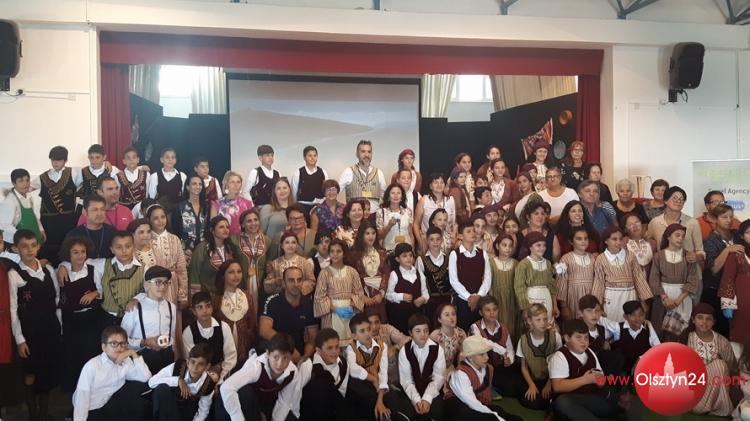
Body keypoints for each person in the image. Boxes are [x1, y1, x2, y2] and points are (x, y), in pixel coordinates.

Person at [9, 229, 61, 420]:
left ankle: (43, 414)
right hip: (29, 333)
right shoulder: (14, 274)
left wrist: (60, 328)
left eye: (33, 245)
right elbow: (13, 309)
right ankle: (33, 416)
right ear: (16, 249)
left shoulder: (48, 270)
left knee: (46, 374)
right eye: (24, 246)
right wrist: (20, 340)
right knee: (30, 375)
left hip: (50, 330)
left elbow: (57, 300)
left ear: (38, 246)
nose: (30, 250)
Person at [550, 319, 643, 421]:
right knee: (563, 401)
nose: (584, 341)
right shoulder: (560, 356)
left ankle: (622, 410)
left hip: (593, 399)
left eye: (586, 337)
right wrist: (584, 380)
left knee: (629, 399)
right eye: (578, 337)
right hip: (571, 401)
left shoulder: (590, 352)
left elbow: (600, 379)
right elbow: (557, 386)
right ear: (567, 338)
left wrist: (601, 382)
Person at [72, 326, 151, 421]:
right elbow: (82, 398)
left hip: (110, 404)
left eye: (123, 344)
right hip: (91, 408)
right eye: (114, 344)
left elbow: (145, 377)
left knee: (133, 391)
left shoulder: (126, 361)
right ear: (104, 347)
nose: (119, 348)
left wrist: (133, 353)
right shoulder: (92, 366)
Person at [215, 333, 299, 421]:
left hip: (262, 404)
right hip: (231, 403)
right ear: (268, 354)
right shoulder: (256, 367)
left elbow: (284, 402)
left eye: (285, 358)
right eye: (276, 357)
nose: (280, 364)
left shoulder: (292, 373)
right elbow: (226, 387)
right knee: (245, 392)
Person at [58, 236, 103, 394]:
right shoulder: (61, 271)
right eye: (75, 252)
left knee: (89, 355)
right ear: (68, 254)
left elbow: (102, 290)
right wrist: (62, 265)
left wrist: (94, 293)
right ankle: (74, 394)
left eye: (83, 251)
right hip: (70, 321)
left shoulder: (92, 269)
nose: (80, 255)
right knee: (72, 356)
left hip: (89, 320)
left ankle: (91, 392)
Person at [443, 334, 523, 420]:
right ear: (470, 356)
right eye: (482, 354)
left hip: (478, 403)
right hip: (459, 406)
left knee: (502, 412)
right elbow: (471, 402)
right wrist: (498, 418)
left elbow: (484, 398)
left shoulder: (488, 368)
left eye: (486, 353)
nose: (487, 357)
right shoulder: (461, 374)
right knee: (478, 416)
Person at [344, 313, 403, 421]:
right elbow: (352, 369)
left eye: (369, 329)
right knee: (356, 384)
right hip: (363, 388)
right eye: (362, 331)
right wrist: (373, 379)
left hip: (380, 386)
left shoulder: (382, 346)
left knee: (395, 404)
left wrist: (380, 400)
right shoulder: (351, 347)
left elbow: (383, 373)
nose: (367, 333)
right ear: (354, 336)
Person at [120, 265, 177, 374]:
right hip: (143, 359)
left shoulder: (172, 307)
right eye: (158, 282)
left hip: (167, 357)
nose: (163, 286)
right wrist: (144, 342)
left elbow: (172, 334)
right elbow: (122, 339)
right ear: (147, 284)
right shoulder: (135, 308)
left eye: (166, 282)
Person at [649, 223, 699, 341]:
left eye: (683, 236)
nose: (680, 238)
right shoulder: (658, 256)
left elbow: (692, 280)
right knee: (658, 328)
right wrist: (665, 298)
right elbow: (654, 279)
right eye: (677, 235)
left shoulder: (688, 256)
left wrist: (677, 301)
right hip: (662, 298)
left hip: (682, 297)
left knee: (679, 334)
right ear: (668, 237)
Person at [686, 303, 737, 416]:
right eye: (700, 318)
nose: (704, 322)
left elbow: (731, 367)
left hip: (717, 388)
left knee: (720, 365)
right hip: (692, 389)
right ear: (693, 320)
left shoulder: (722, 341)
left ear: (713, 322)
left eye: (708, 319)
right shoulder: (686, 338)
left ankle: (720, 406)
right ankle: (699, 405)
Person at [260, 266, 319, 364]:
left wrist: (305, 357)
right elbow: (264, 330)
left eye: (299, 280)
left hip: (299, 354)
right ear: (284, 283)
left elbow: (312, 338)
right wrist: (288, 348)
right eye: (291, 280)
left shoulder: (308, 303)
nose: (296, 284)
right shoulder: (271, 301)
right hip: (276, 352)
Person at [592, 226, 652, 322]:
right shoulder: (601, 259)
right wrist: (597, 306)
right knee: (612, 324)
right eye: (614, 239)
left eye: (620, 239)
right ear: (606, 241)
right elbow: (598, 283)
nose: (618, 242)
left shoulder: (631, 256)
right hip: (611, 298)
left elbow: (638, 277)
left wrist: (643, 300)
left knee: (630, 323)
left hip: (630, 295)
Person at [34, 146, 81, 263]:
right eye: (53, 160)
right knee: (49, 248)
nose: (55, 163)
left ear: (65, 160)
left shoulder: (74, 172)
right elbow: (26, 187)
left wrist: (106, 164)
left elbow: (91, 173)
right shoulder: (43, 177)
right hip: (49, 221)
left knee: (67, 246)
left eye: (58, 160)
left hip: (67, 220)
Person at [395, 313, 447, 421]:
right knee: (408, 413)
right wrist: (417, 400)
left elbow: (438, 378)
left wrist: (427, 399)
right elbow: (406, 380)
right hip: (411, 392)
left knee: (437, 412)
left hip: (433, 391)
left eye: (426, 330)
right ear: (410, 333)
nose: (423, 334)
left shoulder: (438, 349)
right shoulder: (404, 351)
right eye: (418, 331)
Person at [314, 238, 364, 346]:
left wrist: (352, 305)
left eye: (338, 251)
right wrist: (336, 309)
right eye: (332, 251)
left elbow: (359, 293)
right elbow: (319, 298)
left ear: (344, 253)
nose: (335, 254)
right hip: (331, 315)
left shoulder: (352, 272)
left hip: (350, 314)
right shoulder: (324, 273)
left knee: (351, 346)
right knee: (333, 345)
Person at [296, 328, 354, 421]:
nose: (334, 351)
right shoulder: (308, 365)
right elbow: (297, 392)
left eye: (337, 347)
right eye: (329, 348)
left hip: (331, 408)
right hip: (311, 409)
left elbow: (342, 392)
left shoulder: (343, 364)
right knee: (321, 385)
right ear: (318, 350)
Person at [470, 295, 522, 398]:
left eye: (494, 309)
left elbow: (510, 350)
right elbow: (483, 343)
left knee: (512, 389)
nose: (492, 313)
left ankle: (496, 385)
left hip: (498, 367)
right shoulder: (475, 327)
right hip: (482, 368)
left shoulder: (503, 328)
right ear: (481, 313)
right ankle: (488, 387)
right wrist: (501, 350)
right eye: (487, 310)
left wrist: (509, 359)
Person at [149, 342, 216, 421]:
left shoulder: (208, 385)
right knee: (162, 389)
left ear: (207, 366)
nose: (195, 367)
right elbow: (151, 382)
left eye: (200, 364)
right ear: (187, 362)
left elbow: (203, 412)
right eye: (193, 362)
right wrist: (178, 380)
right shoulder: (178, 366)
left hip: (187, 415)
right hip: (169, 408)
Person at [703, 203, 740, 338]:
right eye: (724, 217)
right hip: (716, 291)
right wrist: (728, 250)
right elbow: (713, 268)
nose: (729, 220)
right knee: (722, 329)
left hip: (737, 289)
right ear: (715, 219)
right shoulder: (710, 240)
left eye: (731, 217)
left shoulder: (737, 235)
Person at [516, 303, 562, 412]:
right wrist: (531, 385)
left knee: (556, 397)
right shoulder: (523, 340)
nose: (543, 323)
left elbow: (559, 365)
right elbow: (524, 367)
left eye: (545, 319)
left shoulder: (555, 336)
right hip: (534, 378)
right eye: (538, 320)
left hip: (553, 377)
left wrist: (549, 384)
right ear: (530, 321)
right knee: (530, 400)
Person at [182, 291, 237, 380]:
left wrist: (221, 378)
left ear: (212, 307)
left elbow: (230, 357)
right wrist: (207, 379)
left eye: (208, 306)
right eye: (200, 307)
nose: (205, 310)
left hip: (222, 373)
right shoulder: (188, 332)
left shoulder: (223, 327)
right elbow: (192, 362)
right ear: (194, 311)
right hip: (198, 376)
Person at [449, 221, 491, 331]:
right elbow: (453, 280)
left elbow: (487, 278)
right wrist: (469, 297)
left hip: (480, 300)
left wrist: (478, 296)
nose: (473, 233)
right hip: (463, 301)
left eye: (473, 230)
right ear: (460, 236)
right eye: (468, 231)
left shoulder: (483, 253)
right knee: (463, 331)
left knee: (480, 332)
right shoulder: (455, 254)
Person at [188, 215, 247, 295]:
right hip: (208, 295)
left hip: (229, 294)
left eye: (227, 227)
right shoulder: (202, 248)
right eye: (221, 227)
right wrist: (196, 296)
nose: (225, 230)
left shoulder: (232, 248)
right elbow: (194, 273)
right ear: (212, 230)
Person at [212, 260, 257, 364]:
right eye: (231, 272)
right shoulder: (215, 298)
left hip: (244, 354)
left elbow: (252, 324)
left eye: (239, 271)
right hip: (222, 354)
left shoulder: (247, 296)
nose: (236, 275)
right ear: (223, 275)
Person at [146, 204, 189, 308]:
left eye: (163, 217)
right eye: (155, 218)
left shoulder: (175, 239)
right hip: (153, 285)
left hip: (172, 284)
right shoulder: (146, 240)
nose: (160, 221)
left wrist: (183, 294)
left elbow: (181, 269)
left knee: (172, 312)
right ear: (149, 220)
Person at [347, 221, 389, 321]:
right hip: (362, 295)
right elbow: (352, 276)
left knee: (380, 322)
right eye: (367, 233)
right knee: (364, 323)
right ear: (361, 235)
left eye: (373, 233)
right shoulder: (353, 254)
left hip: (379, 295)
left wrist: (381, 293)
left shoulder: (382, 252)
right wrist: (362, 296)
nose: (371, 236)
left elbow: (386, 273)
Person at [718, 219, 750, 349]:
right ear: (742, 236)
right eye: (748, 232)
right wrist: (727, 304)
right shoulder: (736, 255)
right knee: (740, 334)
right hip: (742, 303)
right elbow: (728, 279)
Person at [514, 231, 559, 322]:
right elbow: (519, 288)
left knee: (547, 322)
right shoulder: (523, 264)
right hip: (531, 300)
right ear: (530, 247)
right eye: (538, 245)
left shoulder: (547, 263)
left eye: (544, 245)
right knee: (534, 323)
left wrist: (555, 305)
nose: (542, 248)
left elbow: (551, 285)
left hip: (546, 298)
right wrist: (525, 308)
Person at [386, 243, 429, 334]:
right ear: (397, 259)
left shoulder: (419, 273)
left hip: (416, 315)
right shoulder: (394, 274)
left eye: (410, 255)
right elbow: (388, 295)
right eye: (404, 256)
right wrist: (401, 296)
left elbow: (425, 292)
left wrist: (423, 299)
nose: (408, 258)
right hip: (400, 316)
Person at [556, 226, 596, 321]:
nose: (583, 241)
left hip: (590, 295)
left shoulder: (593, 258)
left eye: (585, 238)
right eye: (579, 239)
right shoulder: (565, 258)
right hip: (573, 296)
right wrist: (564, 306)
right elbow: (561, 282)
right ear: (571, 241)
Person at [233, 208, 269, 313]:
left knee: (259, 309)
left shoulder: (267, 240)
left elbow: (269, 264)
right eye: (249, 221)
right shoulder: (234, 240)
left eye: (255, 220)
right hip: (241, 282)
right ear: (243, 225)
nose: (253, 223)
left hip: (260, 283)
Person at [577, 295, 622, 376]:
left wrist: (605, 344)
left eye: (597, 310)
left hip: (601, 365)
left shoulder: (601, 328)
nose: (594, 314)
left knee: (617, 353)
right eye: (589, 311)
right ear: (580, 313)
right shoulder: (577, 331)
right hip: (585, 367)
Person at [611, 300, 660, 374]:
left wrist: (641, 358)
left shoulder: (648, 327)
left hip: (642, 368)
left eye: (641, 314)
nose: (638, 318)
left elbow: (658, 348)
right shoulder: (617, 328)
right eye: (633, 315)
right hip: (622, 369)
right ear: (625, 317)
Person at [417, 226, 453, 324]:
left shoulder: (448, 258)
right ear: (427, 241)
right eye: (432, 239)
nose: (435, 242)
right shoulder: (421, 260)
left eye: (438, 239)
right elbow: (420, 283)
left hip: (447, 300)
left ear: (442, 240)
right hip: (430, 301)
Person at [263, 231, 315, 297]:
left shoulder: (305, 262)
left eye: (293, 242)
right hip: (280, 298)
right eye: (287, 242)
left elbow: (311, 281)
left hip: (300, 297)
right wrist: (276, 282)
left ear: (297, 245)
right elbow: (267, 286)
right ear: (282, 245)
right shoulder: (275, 263)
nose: (290, 245)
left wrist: (297, 288)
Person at [338, 139, 386, 211]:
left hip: (374, 215)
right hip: (354, 216)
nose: (366, 155)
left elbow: (386, 197)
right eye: (363, 151)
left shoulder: (379, 173)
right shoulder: (348, 171)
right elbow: (335, 193)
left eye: (369, 152)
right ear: (357, 154)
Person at [1, 168, 45, 245]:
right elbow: (5, 225)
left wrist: (41, 230)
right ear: (14, 183)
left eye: (27, 180)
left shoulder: (29, 197)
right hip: (21, 243)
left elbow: (34, 216)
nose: (25, 184)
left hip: (34, 238)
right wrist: (21, 239)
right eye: (21, 181)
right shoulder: (10, 201)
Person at [65, 194, 117, 259]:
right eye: (95, 210)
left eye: (102, 209)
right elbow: (66, 260)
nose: (99, 213)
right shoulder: (74, 235)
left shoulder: (113, 232)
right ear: (85, 212)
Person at [414, 173, 456, 252]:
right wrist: (420, 242)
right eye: (436, 182)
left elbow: (454, 223)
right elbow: (416, 224)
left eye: (442, 182)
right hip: (428, 242)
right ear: (430, 186)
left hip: (447, 243)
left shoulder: (450, 200)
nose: (439, 185)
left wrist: (454, 237)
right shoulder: (423, 200)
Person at [171, 174, 209, 261]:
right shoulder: (179, 207)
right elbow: (176, 232)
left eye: (200, 184)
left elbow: (208, 229)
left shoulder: (206, 207)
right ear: (188, 187)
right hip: (185, 252)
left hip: (203, 250)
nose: (198, 186)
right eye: (194, 184)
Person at [489, 232, 520, 339]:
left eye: (510, 246)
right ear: (497, 246)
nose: (508, 248)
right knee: (497, 328)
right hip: (496, 299)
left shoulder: (516, 264)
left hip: (512, 300)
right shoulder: (491, 263)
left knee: (511, 329)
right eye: (504, 245)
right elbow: (488, 284)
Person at [75, 144, 120, 209]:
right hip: (87, 207)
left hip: (107, 206)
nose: (94, 160)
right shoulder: (82, 171)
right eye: (91, 157)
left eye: (97, 157)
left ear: (104, 157)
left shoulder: (113, 170)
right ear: (88, 157)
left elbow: (118, 189)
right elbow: (76, 188)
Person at [210, 170, 254, 236]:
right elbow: (213, 227)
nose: (236, 185)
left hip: (243, 238)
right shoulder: (216, 204)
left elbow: (252, 225)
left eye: (238, 182)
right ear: (226, 184)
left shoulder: (248, 204)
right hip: (224, 239)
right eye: (232, 182)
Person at [291, 145, 328, 222]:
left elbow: (327, 191)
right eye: (310, 156)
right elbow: (294, 193)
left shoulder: (323, 172)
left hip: (320, 208)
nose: (312, 158)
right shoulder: (298, 173)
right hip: (303, 208)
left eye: (315, 155)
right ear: (304, 158)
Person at [376, 183, 414, 252]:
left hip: (406, 250)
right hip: (389, 250)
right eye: (393, 193)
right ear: (388, 196)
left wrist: (413, 250)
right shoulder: (381, 212)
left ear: (402, 196)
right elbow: (379, 236)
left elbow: (410, 233)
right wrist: (389, 226)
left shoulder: (408, 211)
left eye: (398, 193)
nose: (396, 195)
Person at [429, 302, 466, 370]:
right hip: (435, 370)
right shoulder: (435, 335)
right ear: (439, 319)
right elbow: (429, 360)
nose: (451, 317)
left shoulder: (461, 333)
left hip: (452, 369)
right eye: (447, 315)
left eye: (453, 314)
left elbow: (462, 355)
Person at [259, 177, 295, 242]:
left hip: (290, 246)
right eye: (278, 188)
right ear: (274, 192)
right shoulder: (267, 209)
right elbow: (260, 232)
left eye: (285, 188)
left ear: (289, 189)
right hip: (270, 246)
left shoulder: (296, 209)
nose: (282, 191)